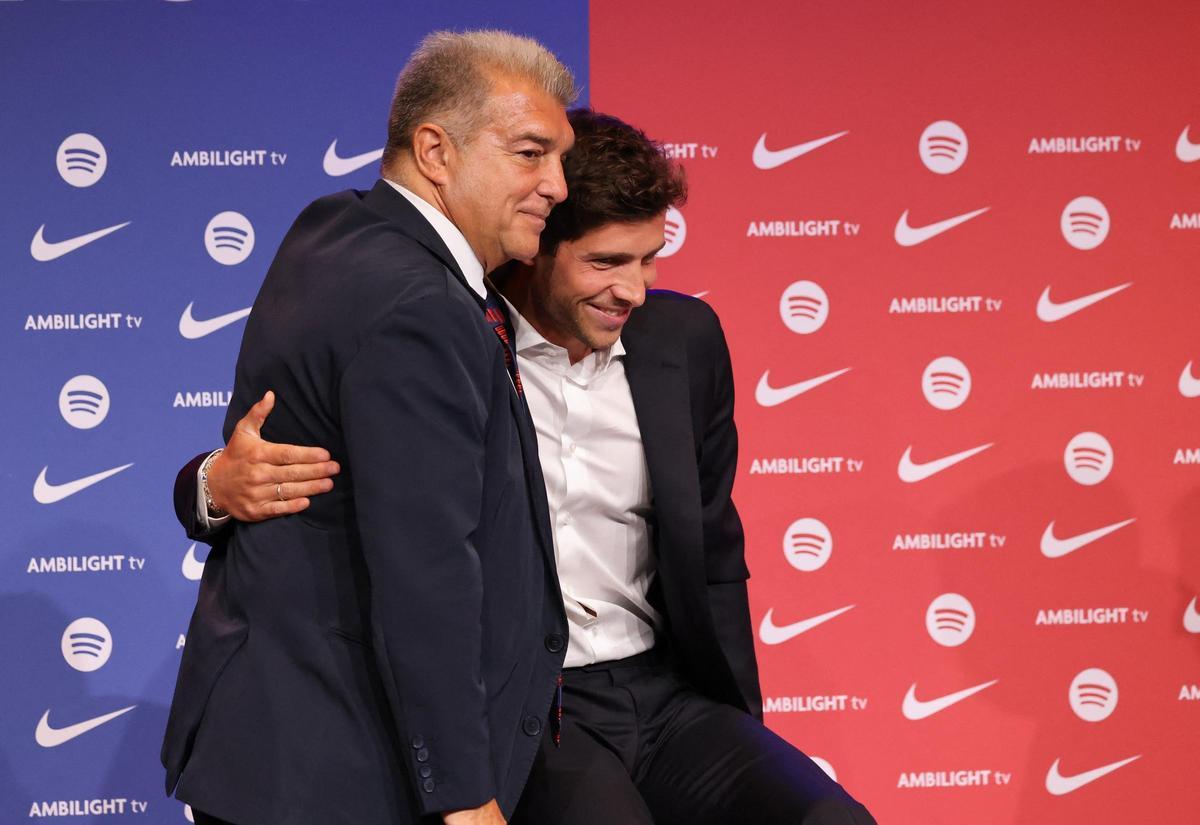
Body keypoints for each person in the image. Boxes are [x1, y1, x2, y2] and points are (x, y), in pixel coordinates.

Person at [181, 109, 877, 824]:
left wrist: (742, 727)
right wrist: (208, 484)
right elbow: (332, 489)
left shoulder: (685, 342)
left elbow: (715, 552)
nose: (633, 291)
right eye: (607, 263)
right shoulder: (450, 339)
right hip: (535, 703)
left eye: (649, 259)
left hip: (666, 695)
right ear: (537, 247)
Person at [161, 31, 576, 825]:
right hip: (340, 771)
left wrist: (212, 482)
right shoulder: (419, 306)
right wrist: (463, 794)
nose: (556, 184)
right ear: (435, 150)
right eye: (530, 153)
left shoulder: (334, 228)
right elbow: (427, 571)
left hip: (269, 749)